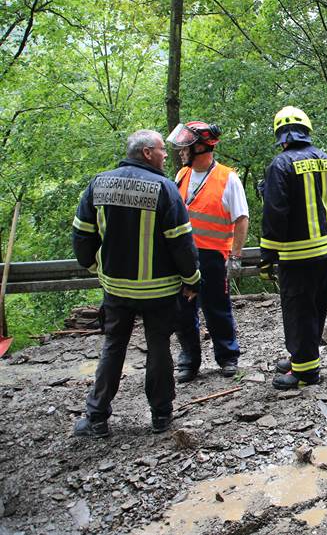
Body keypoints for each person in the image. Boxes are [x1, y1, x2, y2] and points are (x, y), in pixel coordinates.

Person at [71, 130, 200, 437]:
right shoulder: (164, 189)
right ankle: (161, 416)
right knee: (159, 348)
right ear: (146, 153)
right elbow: (181, 242)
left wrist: (93, 266)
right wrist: (192, 279)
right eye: (161, 149)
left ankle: (96, 417)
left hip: (116, 289)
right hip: (159, 290)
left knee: (113, 347)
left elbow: (82, 235)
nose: (166, 154)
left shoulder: (98, 184)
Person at [259, 106, 327, 389]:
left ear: (281, 137)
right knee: (316, 308)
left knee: (298, 312)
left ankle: (306, 372)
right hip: (326, 251)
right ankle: (302, 358)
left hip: (296, 255)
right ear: (307, 131)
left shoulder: (280, 165)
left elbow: (275, 213)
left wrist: (267, 256)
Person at [166, 121, 248, 382]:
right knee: (182, 310)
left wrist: (235, 256)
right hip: (183, 256)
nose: (181, 152)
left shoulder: (227, 178)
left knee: (217, 308)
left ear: (200, 148)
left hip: (213, 255)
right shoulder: (182, 175)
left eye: (185, 147)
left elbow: (241, 218)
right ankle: (189, 361)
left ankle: (228, 357)